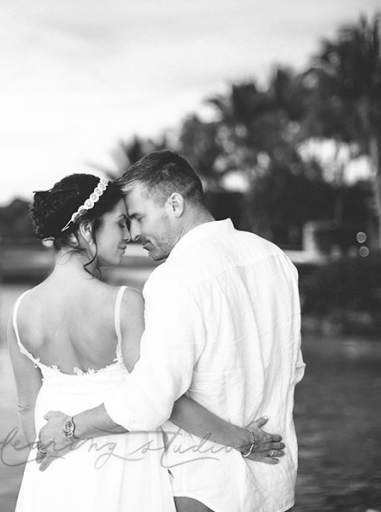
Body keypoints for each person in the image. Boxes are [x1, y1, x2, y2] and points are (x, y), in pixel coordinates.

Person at [36, 153, 305, 512]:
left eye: (138, 218)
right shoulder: (274, 259)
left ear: (175, 204)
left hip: (206, 489)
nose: (132, 234)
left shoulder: (175, 278)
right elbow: (294, 369)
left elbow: (151, 399)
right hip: (275, 484)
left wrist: (71, 427)